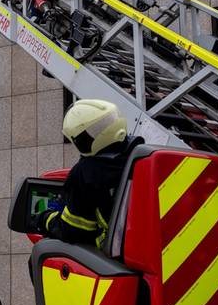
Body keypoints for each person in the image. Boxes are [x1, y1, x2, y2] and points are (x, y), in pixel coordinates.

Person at [35, 99, 142, 247]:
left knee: (42, 250)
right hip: (152, 247)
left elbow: (73, 230)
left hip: (116, 252)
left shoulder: (86, 172)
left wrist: (45, 219)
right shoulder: (141, 155)